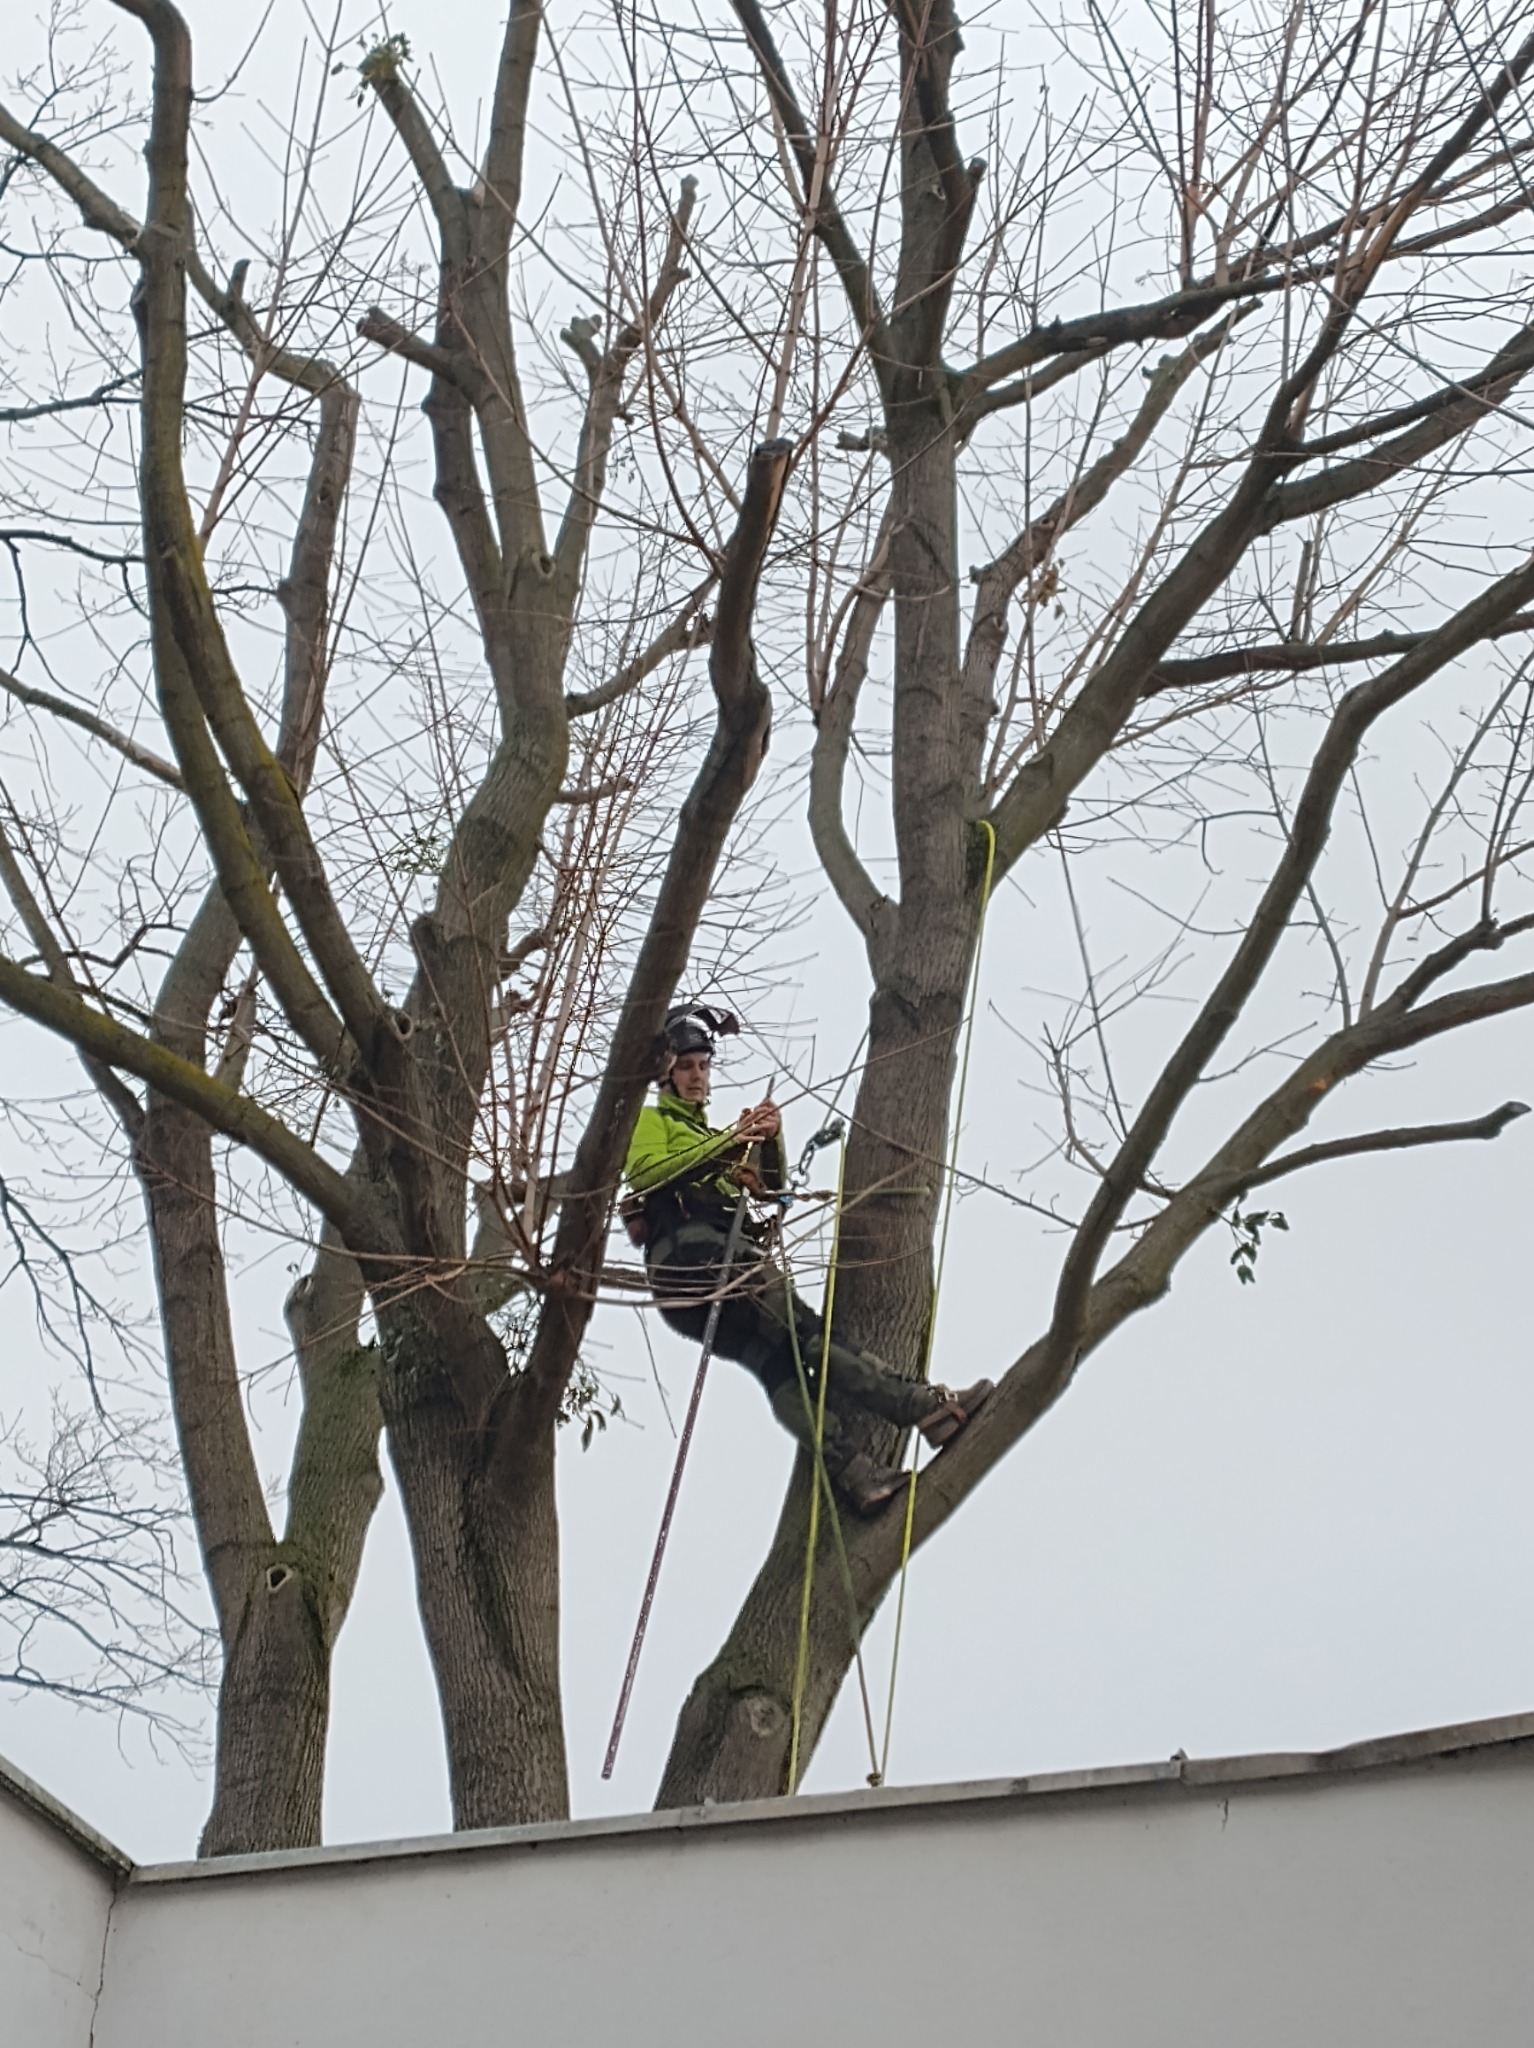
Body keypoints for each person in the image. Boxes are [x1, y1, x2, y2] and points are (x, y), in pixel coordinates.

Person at [623, 1003, 993, 1515]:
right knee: (808, 1334)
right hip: (702, 1257)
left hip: (690, 1283)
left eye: (703, 1066)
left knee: (779, 1366)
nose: (697, 1076)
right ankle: (923, 1408)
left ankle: (859, 1476)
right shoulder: (651, 1121)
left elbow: (769, 1191)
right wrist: (731, 1142)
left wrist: (768, 1138)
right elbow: (646, 1173)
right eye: (686, 1066)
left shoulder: (711, 1140)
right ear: (666, 1071)